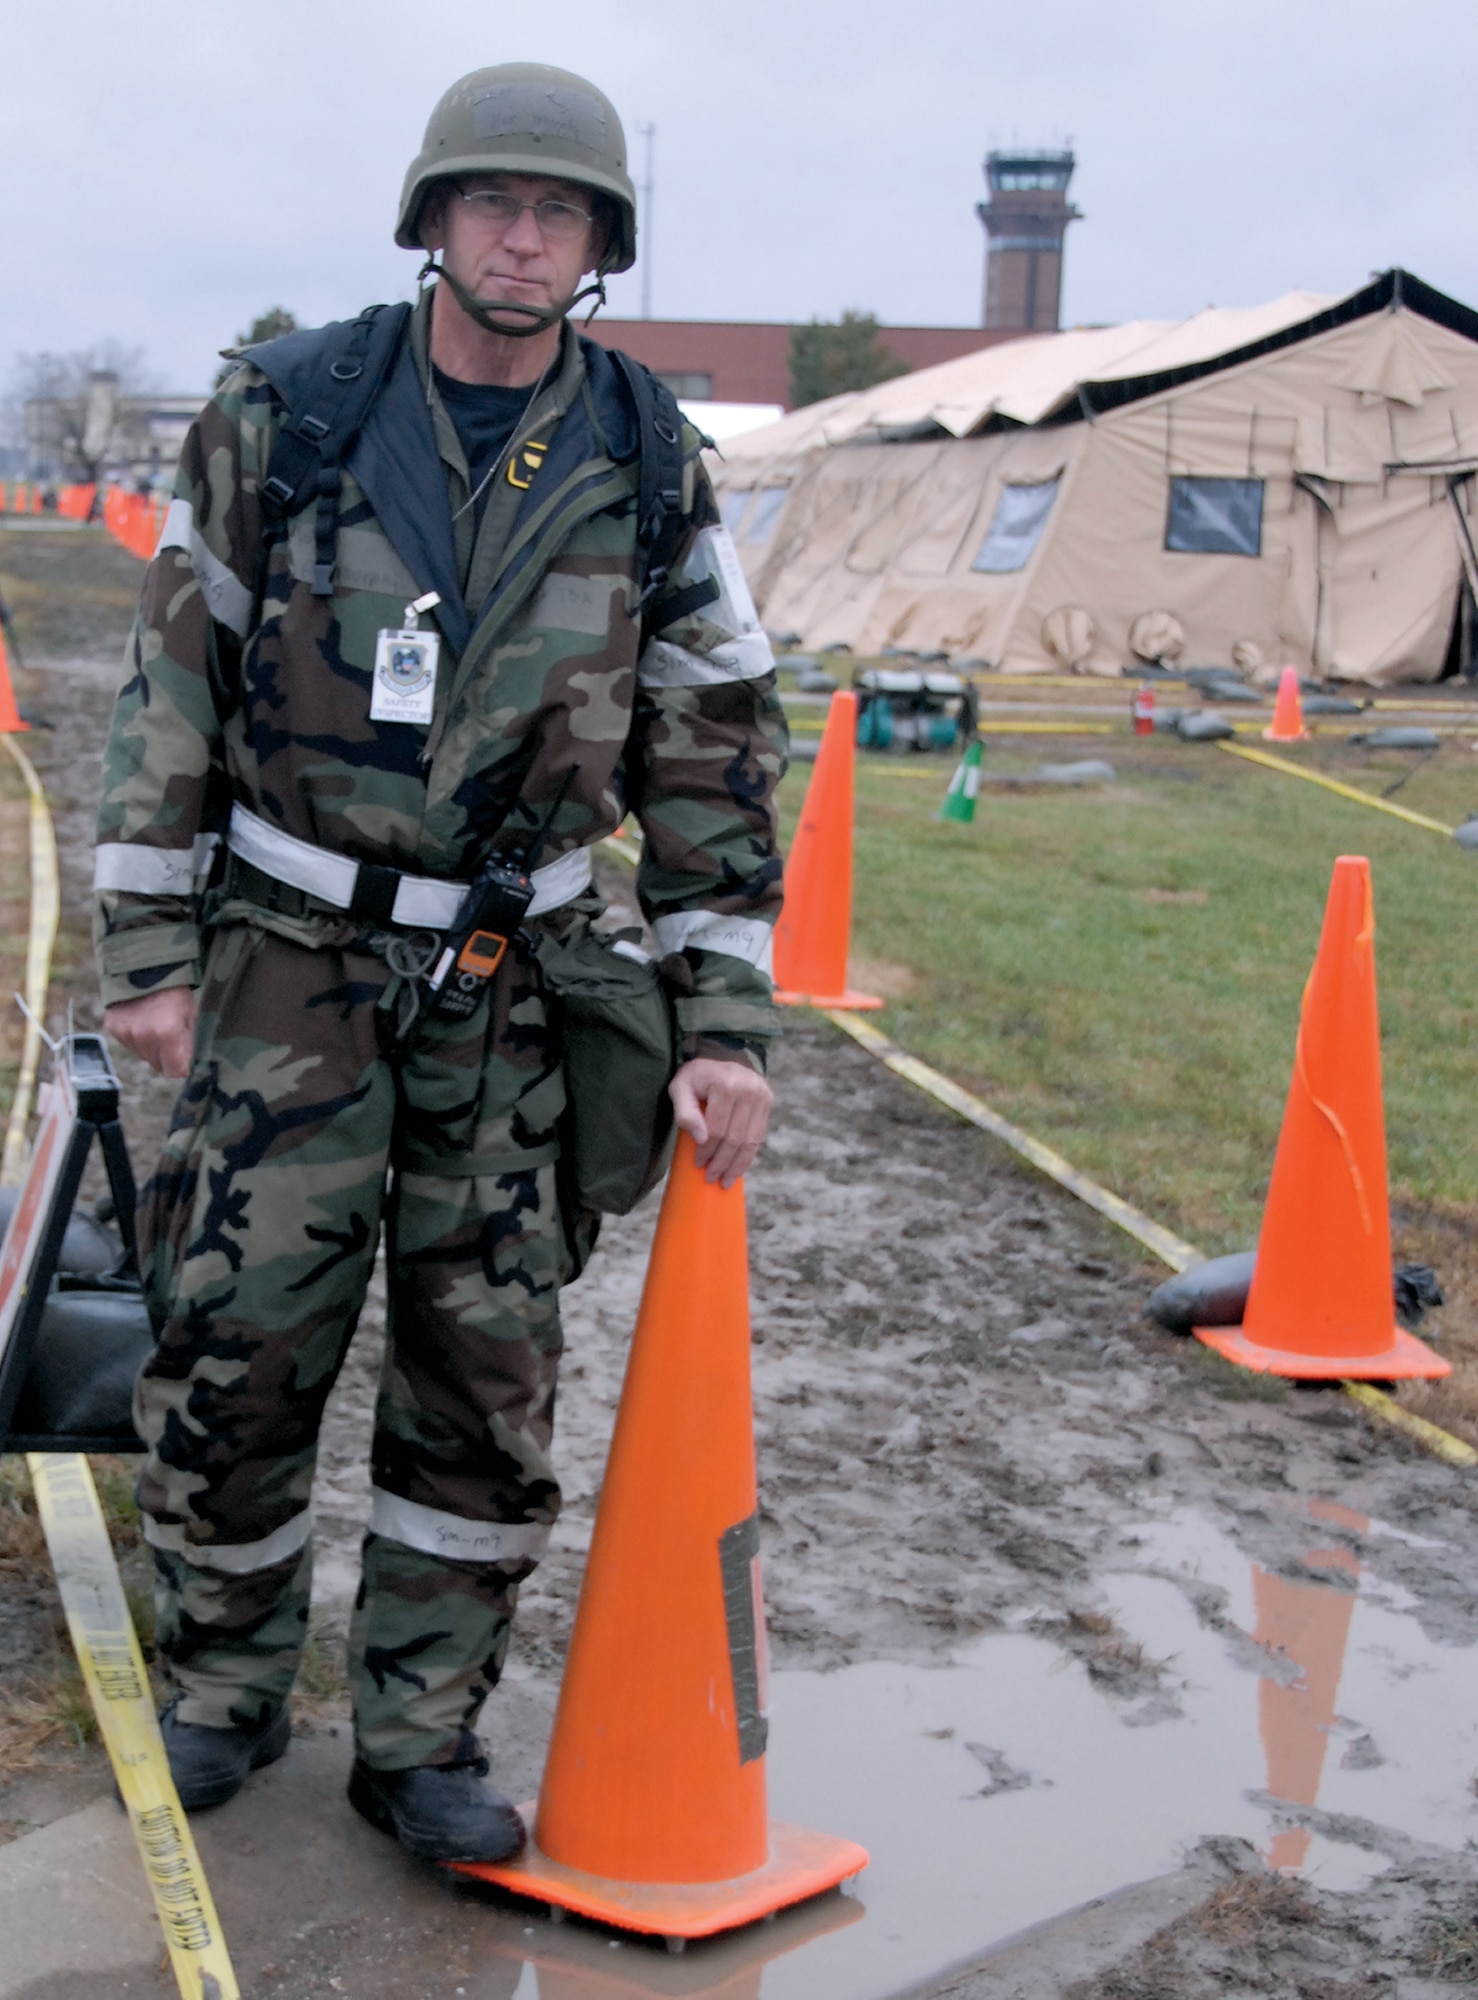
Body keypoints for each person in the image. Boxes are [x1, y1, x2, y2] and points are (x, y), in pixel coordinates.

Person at [92, 62, 785, 1865]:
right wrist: (147, 947)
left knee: (484, 1372)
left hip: (518, 982)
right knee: (235, 1346)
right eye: (493, 202)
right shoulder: (290, 411)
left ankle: (418, 1734)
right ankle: (227, 1685)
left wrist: (723, 1021)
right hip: (286, 968)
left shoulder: (646, 454)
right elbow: (172, 680)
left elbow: (712, 741)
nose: (523, 234)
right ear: (431, 221)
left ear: (599, 246)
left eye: (559, 212)